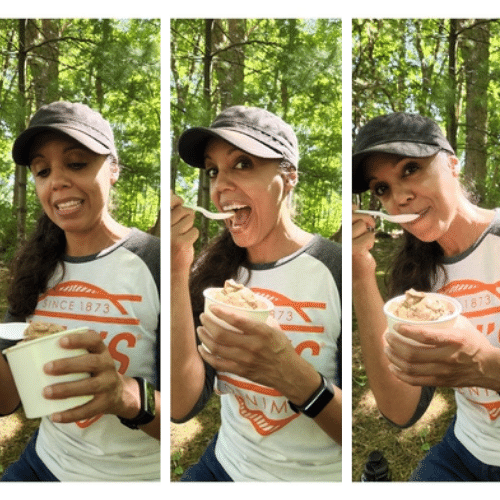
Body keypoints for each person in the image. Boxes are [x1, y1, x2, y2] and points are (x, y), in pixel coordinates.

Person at [171, 105, 342, 481]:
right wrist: (175, 269)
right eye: (214, 170)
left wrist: (291, 374)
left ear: (289, 177)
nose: (220, 185)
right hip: (224, 467)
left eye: (243, 164)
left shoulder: (337, 268)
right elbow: (181, 406)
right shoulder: (212, 274)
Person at [0, 101, 160, 481]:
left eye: (76, 163)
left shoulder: (157, 261)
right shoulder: (35, 269)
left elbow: (183, 410)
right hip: (44, 464)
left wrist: (126, 398)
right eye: (42, 170)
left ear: (114, 169)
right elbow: (7, 398)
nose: (56, 181)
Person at [352, 111, 500, 481]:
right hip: (464, 451)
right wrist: (359, 272)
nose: (398, 197)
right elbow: (400, 409)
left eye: (410, 169)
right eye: (381, 188)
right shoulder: (416, 281)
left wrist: (486, 365)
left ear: (452, 164)